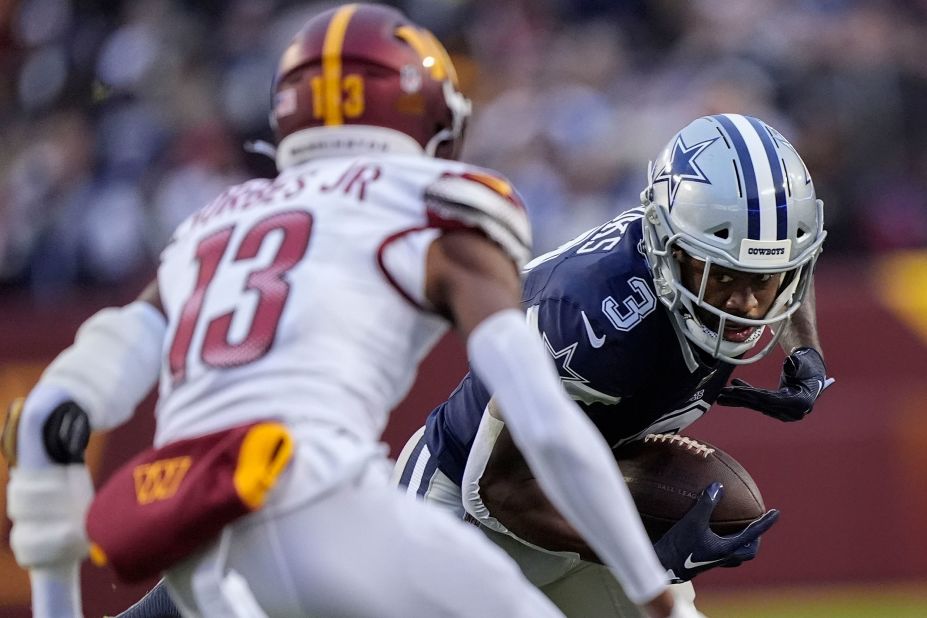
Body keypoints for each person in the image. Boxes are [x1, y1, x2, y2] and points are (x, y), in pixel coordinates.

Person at [1, 5, 701, 617]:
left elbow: (47, 419)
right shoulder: (436, 201)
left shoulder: (213, 224)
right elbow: (541, 420)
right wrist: (655, 593)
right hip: (325, 508)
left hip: (192, 532)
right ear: (421, 110)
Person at [393, 113, 833, 616]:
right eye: (725, 276)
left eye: (765, 279)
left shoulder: (718, 253)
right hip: (464, 513)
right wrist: (648, 562)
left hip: (584, 508)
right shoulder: (594, 321)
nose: (749, 306)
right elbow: (495, 489)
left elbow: (792, 265)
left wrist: (805, 351)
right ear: (672, 251)